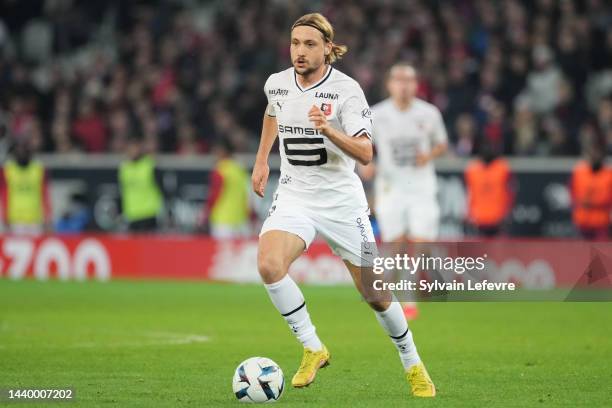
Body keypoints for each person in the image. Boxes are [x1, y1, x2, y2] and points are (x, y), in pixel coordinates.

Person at [251, 13, 435, 397]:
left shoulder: (347, 91)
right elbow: (273, 112)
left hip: (343, 203)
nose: (299, 52)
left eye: (309, 45)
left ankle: (412, 362)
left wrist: (329, 130)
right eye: (295, 43)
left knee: (375, 292)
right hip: (294, 195)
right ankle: (312, 346)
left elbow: (367, 152)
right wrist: (261, 160)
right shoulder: (277, 84)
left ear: (328, 50)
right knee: (269, 264)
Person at [363, 64, 448, 319]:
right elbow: (361, 144)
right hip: (391, 188)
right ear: (389, 84)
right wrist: (365, 164)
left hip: (421, 186)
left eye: (409, 80)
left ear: (416, 84)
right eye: (399, 80)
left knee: (421, 242)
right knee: (396, 245)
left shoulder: (429, 113)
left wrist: (429, 155)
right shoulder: (377, 114)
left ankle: (408, 296)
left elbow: (442, 143)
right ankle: (390, 293)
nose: (404, 85)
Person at [199, 140, 250, 239]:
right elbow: (248, 194)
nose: (214, 155)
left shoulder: (220, 170)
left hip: (222, 220)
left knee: (223, 252)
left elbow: (214, 195)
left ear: (223, 151)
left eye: (216, 151)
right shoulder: (240, 168)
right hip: (240, 220)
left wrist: (205, 213)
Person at [0, 139, 51, 234]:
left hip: (35, 220)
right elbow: (3, 195)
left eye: (24, 149)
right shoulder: (7, 170)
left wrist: (47, 217)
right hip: (15, 220)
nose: (21, 152)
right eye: (18, 149)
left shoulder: (39, 169)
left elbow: (45, 195)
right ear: (14, 152)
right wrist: (4, 218)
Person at [464, 143, 514, 237]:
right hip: (481, 218)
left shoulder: (502, 168)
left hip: (495, 217)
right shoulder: (473, 170)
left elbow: (510, 192)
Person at [118, 136, 164, 232]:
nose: (132, 151)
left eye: (134, 148)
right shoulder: (124, 168)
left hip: (149, 213)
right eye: (129, 148)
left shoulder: (150, 165)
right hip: (132, 214)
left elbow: (161, 188)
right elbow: (122, 191)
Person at [570, 145, 612, 240]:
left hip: (601, 220)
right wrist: (579, 202)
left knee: (600, 251)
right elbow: (572, 191)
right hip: (582, 219)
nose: (595, 157)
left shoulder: (609, 174)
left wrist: (596, 201)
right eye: (592, 154)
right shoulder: (579, 172)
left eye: (597, 154)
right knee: (581, 251)